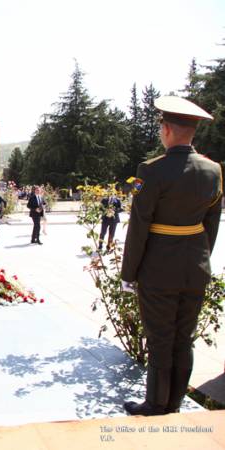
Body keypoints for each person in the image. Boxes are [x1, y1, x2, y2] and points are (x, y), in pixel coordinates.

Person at [121, 96, 221, 416]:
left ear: (165, 130)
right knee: (183, 338)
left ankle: (155, 404)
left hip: (158, 269)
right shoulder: (213, 171)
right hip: (195, 267)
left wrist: (128, 273)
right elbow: (212, 224)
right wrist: (201, 259)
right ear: (192, 132)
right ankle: (174, 403)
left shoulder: (150, 171)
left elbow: (139, 227)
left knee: (161, 339)